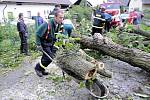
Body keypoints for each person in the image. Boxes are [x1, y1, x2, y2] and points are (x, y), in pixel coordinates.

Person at [35, 9, 64, 77]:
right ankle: (37, 68)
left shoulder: (58, 24)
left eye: (63, 17)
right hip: (44, 42)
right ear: (55, 17)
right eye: (60, 17)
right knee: (49, 57)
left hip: (50, 42)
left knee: (49, 57)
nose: (61, 19)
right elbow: (37, 34)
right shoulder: (47, 24)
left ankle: (42, 69)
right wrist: (38, 44)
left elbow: (58, 34)